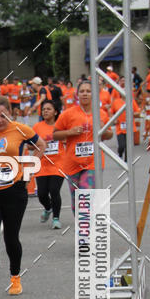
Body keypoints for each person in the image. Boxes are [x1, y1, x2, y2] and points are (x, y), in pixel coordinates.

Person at [0, 95, 46, 299]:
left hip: (14, 192)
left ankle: (15, 277)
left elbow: (41, 145)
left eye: (3, 115)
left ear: (10, 114)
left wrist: (30, 167)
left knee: (11, 238)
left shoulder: (20, 129)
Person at [53, 80, 113, 214]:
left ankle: (89, 228)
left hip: (92, 162)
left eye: (88, 91)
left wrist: (103, 130)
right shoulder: (68, 114)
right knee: (76, 202)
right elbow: (55, 134)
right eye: (82, 91)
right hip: (72, 163)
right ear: (77, 95)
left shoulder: (101, 114)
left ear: (93, 94)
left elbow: (109, 135)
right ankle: (82, 230)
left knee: (85, 196)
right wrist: (70, 132)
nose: (85, 94)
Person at [33, 99, 64, 229]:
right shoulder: (37, 127)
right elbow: (31, 144)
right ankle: (48, 208)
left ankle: (56, 218)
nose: (45, 111)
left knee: (54, 190)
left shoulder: (61, 126)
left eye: (48, 109)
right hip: (42, 164)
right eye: (44, 109)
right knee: (41, 194)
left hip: (59, 163)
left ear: (55, 112)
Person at [110, 74, 140, 161]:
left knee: (128, 146)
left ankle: (127, 162)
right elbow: (111, 113)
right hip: (120, 127)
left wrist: (133, 114)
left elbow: (138, 112)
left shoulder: (132, 101)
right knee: (122, 145)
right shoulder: (116, 102)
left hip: (130, 127)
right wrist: (114, 119)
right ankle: (120, 152)